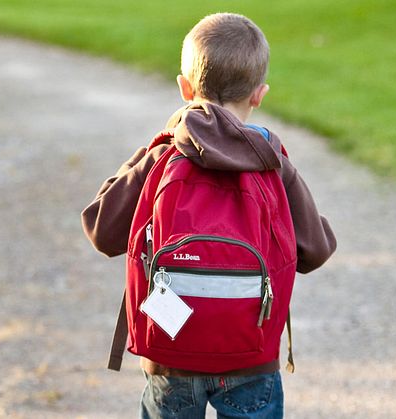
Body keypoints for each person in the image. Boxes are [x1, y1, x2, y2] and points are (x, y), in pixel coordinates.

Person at [81, 12, 336, 419]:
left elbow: (100, 229)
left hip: (172, 352)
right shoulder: (272, 162)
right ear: (259, 94)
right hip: (250, 355)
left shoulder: (163, 157)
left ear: (184, 88)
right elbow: (316, 252)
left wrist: (151, 151)